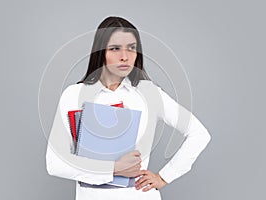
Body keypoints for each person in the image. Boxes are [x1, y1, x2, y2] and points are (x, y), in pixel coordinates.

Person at [46, 16, 211, 200]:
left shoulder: (148, 93)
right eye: (115, 48)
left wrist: (164, 177)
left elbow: (199, 133)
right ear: (100, 51)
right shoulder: (73, 95)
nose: (125, 56)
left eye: (131, 48)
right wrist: (115, 168)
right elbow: (55, 164)